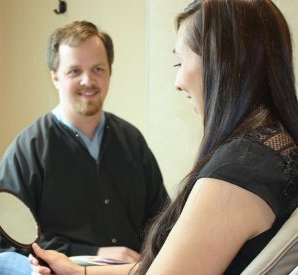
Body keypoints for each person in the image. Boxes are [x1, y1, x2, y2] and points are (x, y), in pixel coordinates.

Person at [28, 0, 298, 274]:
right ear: (56, 78)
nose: (177, 81)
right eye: (75, 71)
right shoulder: (277, 148)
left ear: (221, 62)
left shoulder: (236, 174)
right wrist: (80, 270)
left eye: (180, 62)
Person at [0, 20, 168, 275]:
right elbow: (13, 248)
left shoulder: (133, 142)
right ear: (55, 77)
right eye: (74, 71)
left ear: (110, 72)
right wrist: (96, 254)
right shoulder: (27, 152)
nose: (87, 81)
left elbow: (161, 220)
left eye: (98, 69)